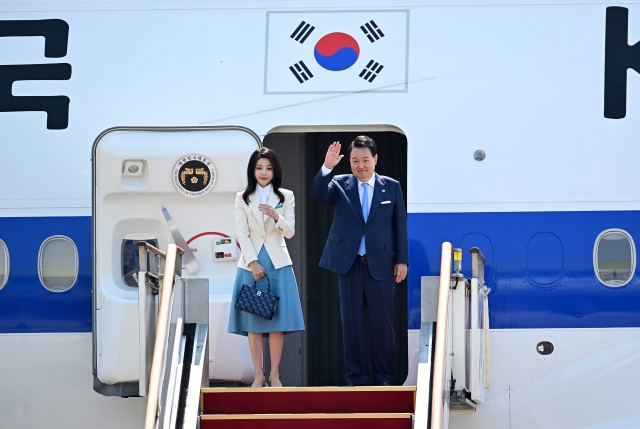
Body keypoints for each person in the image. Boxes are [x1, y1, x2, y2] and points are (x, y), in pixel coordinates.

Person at [310, 136, 409, 386]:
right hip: (349, 263)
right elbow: (317, 193)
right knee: (351, 324)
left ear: (375, 159)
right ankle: (356, 378)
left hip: (382, 264)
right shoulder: (340, 183)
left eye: (365, 160)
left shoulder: (392, 186)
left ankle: (384, 378)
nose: (360, 165)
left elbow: (400, 226)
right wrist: (327, 167)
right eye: (355, 161)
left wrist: (402, 261)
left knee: (382, 325)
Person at [228, 147, 305, 388]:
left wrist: (275, 216)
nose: (264, 172)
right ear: (253, 170)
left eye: (269, 168)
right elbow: (241, 233)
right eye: (259, 167)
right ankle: (258, 375)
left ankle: (274, 375)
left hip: (278, 262)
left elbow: (290, 232)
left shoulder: (285, 196)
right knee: (254, 321)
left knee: (276, 323)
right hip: (251, 263)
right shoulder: (242, 197)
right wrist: (252, 263)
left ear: (275, 170)